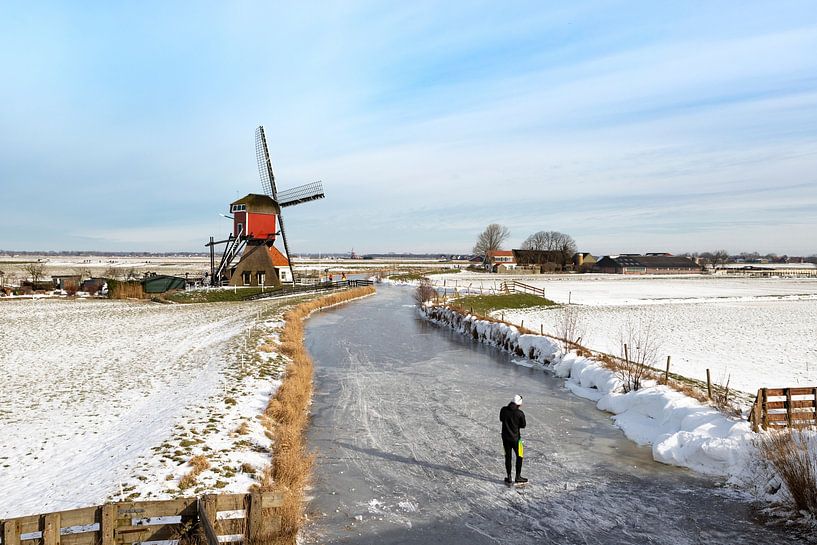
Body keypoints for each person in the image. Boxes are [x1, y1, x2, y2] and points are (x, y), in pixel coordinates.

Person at [499, 394, 527, 484]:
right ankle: (518, 477)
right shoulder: (520, 413)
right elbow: (523, 425)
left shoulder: (503, 410)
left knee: (508, 457)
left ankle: (509, 477)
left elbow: (501, 419)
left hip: (505, 439)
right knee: (520, 456)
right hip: (516, 439)